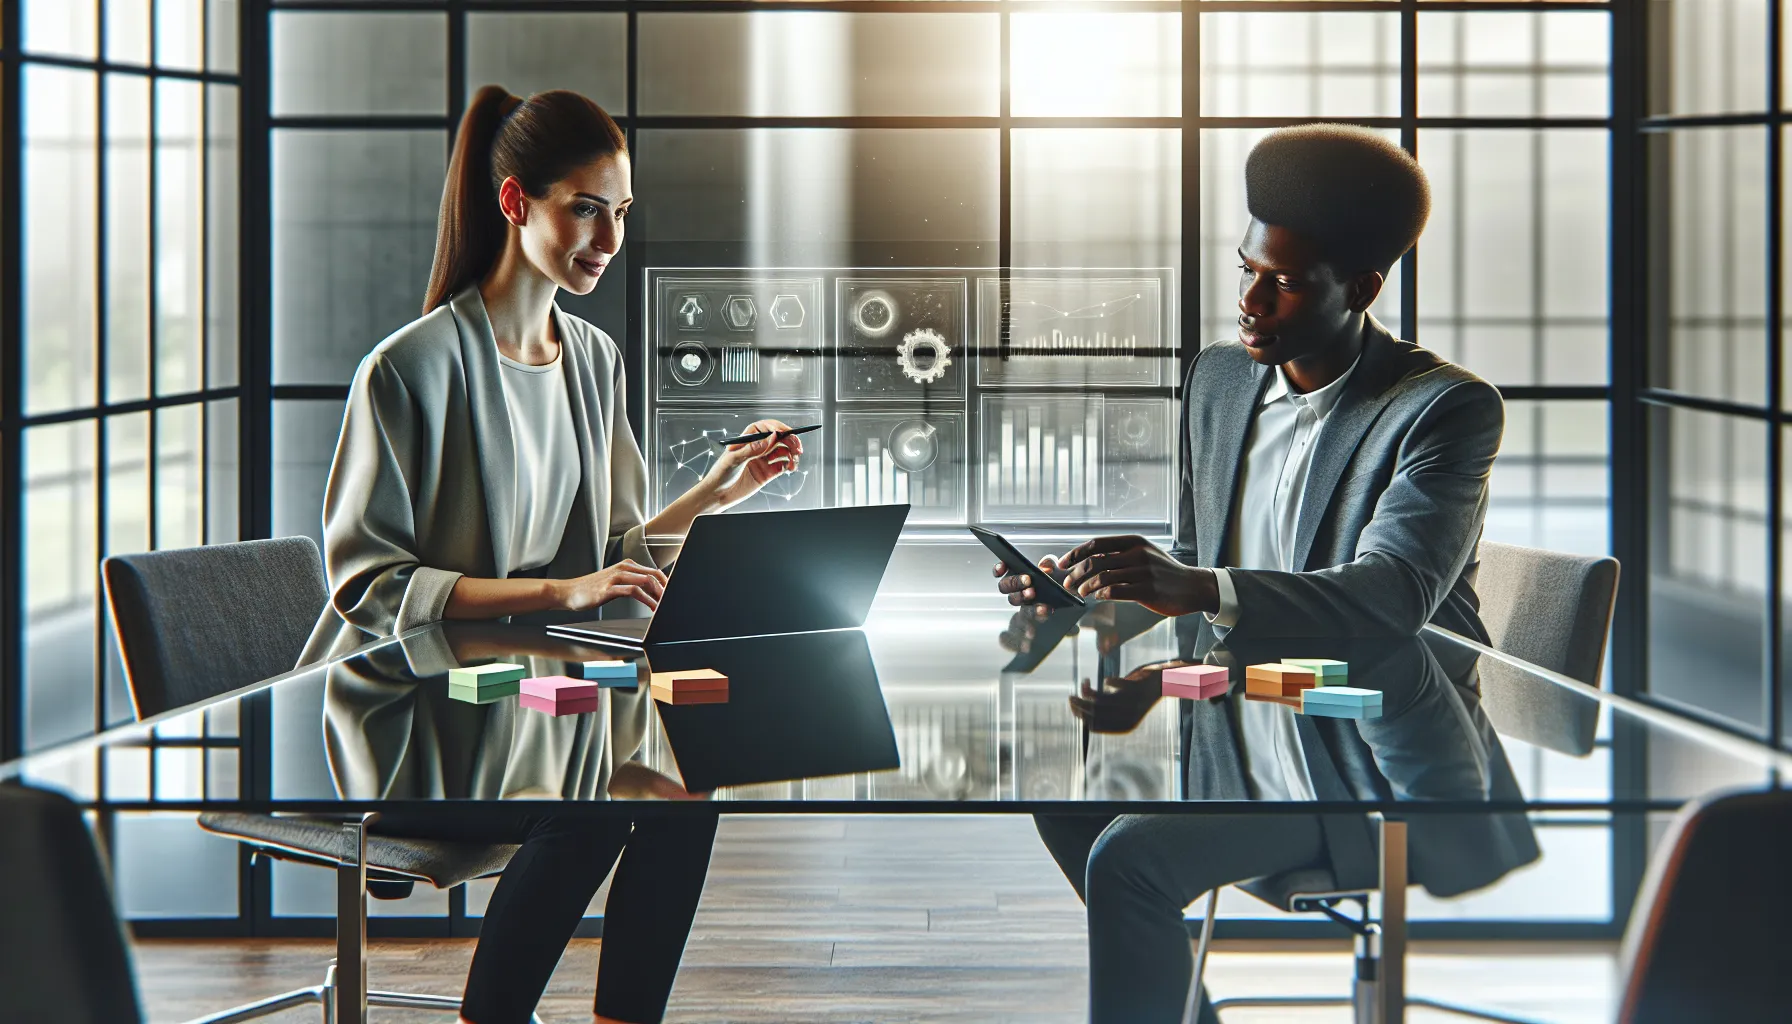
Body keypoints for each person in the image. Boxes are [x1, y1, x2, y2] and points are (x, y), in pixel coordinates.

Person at [993, 125, 1530, 1023]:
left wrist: (1193, 590)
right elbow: (1190, 574)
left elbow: (1392, 600)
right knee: (1065, 806)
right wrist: (1092, 599)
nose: (1249, 299)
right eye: (1246, 268)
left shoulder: (1441, 410)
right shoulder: (1220, 381)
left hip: (1372, 758)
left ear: (1360, 289)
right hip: (1242, 727)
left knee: (1128, 856)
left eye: (1282, 282)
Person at [301, 86, 803, 1024]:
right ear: (514, 203)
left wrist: (720, 493)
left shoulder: (593, 359)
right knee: (596, 805)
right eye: (584, 208)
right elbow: (368, 586)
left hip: (538, 705)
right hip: (423, 711)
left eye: (619, 214)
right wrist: (564, 588)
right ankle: (490, 1015)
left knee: (683, 796)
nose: (607, 239)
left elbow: (618, 555)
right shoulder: (409, 368)